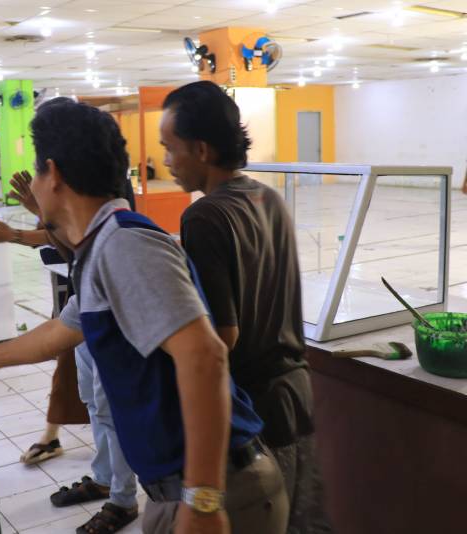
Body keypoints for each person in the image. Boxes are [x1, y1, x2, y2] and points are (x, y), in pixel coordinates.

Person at [0, 98, 289, 534]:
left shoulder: (125, 245)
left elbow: (205, 356)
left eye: (37, 172)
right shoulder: (102, 243)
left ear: (54, 174)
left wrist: (202, 502)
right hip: (179, 488)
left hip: (218, 491)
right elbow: (63, 329)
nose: (34, 186)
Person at [162, 80, 333, 534]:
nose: (166, 161)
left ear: (201, 149)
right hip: (297, 396)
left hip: (254, 413)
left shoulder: (204, 216)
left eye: (170, 148)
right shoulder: (269, 198)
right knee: (300, 522)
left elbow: (224, 336)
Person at [0, 170, 139, 533]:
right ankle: (104, 478)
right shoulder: (73, 197)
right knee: (94, 402)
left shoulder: (111, 207)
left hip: (103, 314)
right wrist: (38, 216)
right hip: (83, 304)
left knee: (110, 408)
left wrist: (25, 227)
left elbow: (76, 236)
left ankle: (123, 498)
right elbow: (70, 244)